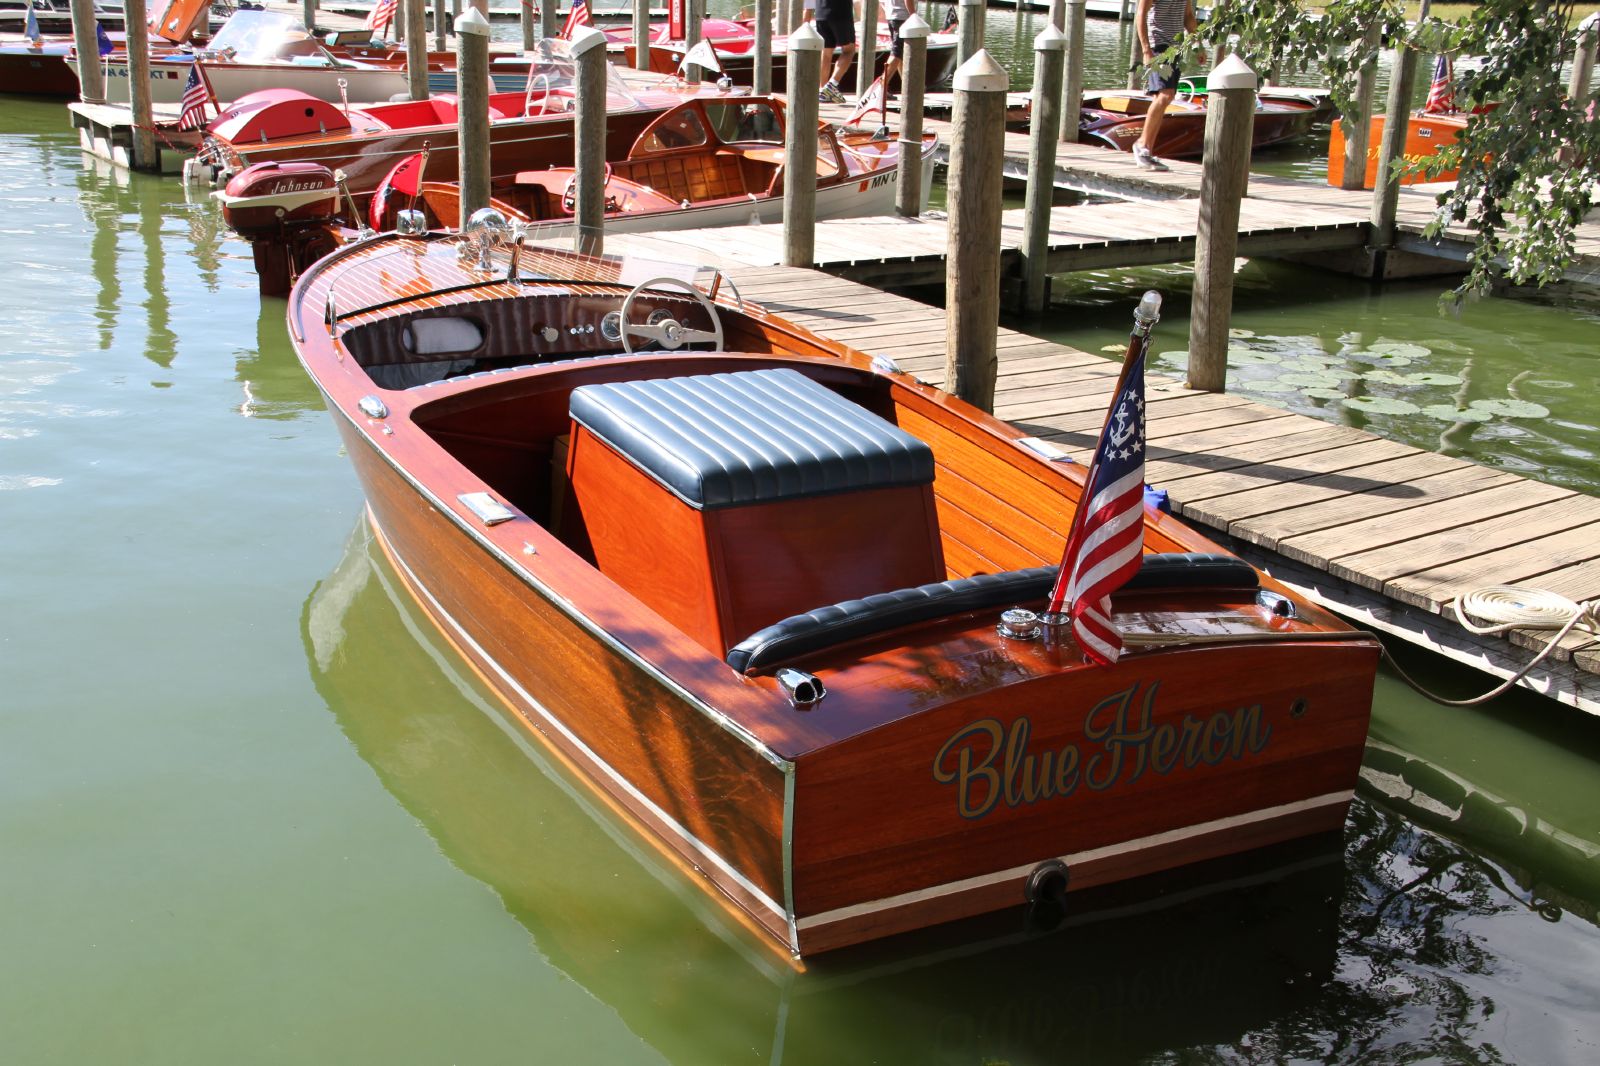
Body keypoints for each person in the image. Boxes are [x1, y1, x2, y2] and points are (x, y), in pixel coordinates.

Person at [1133, 0, 1197, 172]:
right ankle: (1141, 145)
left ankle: (1147, 151)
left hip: (1176, 49)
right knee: (1165, 95)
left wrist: (1198, 45)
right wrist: (1146, 50)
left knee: (1163, 97)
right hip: (1159, 47)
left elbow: (1188, 16)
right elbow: (1141, 14)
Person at [814, 0, 857, 103]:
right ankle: (832, 84)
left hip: (820, 13)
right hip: (840, 13)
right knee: (849, 50)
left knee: (826, 52)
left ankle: (822, 90)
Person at [882, 0, 912, 97]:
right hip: (902, 18)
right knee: (897, 53)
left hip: (892, 16)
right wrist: (914, 15)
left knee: (900, 54)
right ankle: (881, 87)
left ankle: (908, 86)